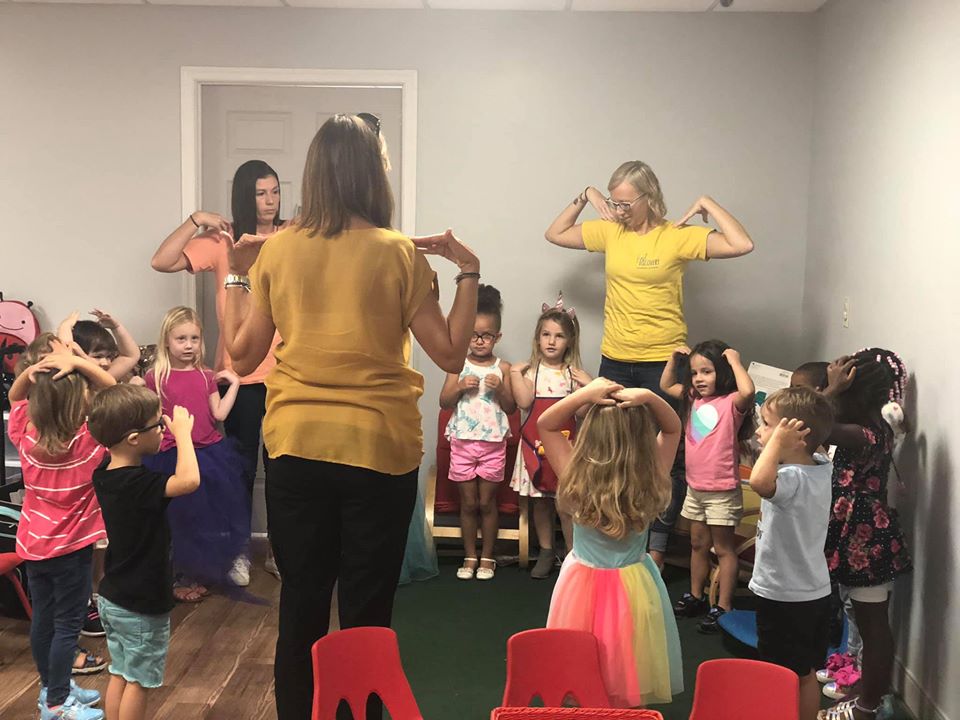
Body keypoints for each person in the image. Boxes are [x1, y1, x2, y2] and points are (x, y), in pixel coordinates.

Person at [219, 113, 479, 720]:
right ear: (372, 174)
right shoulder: (398, 254)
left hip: (296, 448)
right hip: (378, 450)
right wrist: (467, 271)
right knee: (367, 614)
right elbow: (450, 354)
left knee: (302, 609)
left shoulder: (279, 251)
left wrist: (236, 269)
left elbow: (243, 354)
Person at [545, 161, 754, 566]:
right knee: (606, 446)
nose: (619, 210)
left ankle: (653, 547)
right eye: (614, 202)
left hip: (664, 361)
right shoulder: (609, 231)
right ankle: (602, 541)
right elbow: (554, 233)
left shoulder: (676, 238)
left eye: (626, 203)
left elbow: (741, 243)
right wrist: (587, 195)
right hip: (616, 358)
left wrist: (707, 204)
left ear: (649, 197)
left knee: (667, 452)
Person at [151, 159, 285, 579]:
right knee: (240, 472)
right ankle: (238, 552)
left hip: (286, 374)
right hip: (237, 376)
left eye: (275, 191)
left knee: (283, 471)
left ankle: (282, 552)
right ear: (245, 196)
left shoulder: (291, 236)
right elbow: (162, 260)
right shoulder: (222, 240)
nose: (269, 201)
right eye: (261, 193)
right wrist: (195, 220)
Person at [541, 377, 683, 708]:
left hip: (582, 584)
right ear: (643, 438)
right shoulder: (651, 475)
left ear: (589, 435)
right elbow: (674, 428)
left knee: (581, 663)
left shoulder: (575, 474)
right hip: (634, 584)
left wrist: (584, 395)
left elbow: (546, 425)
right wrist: (650, 397)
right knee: (629, 663)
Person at [8, 340, 116, 720]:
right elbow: (114, 393)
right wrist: (77, 363)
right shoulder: (88, 444)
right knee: (67, 627)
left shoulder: (26, 438)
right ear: (80, 404)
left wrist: (30, 373)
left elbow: (14, 395)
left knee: (44, 620)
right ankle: (56, 704)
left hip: (35, 547)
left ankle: (51, 688)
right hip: (71, 551)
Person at [88, 387, 200, 720]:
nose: (164, 428)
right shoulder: (140, 484)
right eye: (158, 426)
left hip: (112, 596)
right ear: (135, 438)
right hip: (140, 602)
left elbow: (113, 411)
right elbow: (190, 480)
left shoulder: (104, 473)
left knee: (121, 672)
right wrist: (183, 435)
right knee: (139, 680)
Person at [818, 349, 911, 720]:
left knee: (873, 626)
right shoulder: (871, 430)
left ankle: (868, 707)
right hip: (860, 534)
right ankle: (865, 692)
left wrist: (830, 389)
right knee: (863, 619)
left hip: (866, 540)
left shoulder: (863, 433)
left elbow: (802, 420)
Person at [143, 306, 250, 599]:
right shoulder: (156, 376)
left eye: (194, 338)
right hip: (171, 455)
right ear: (167, 340)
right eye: (181, 339)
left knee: (206, 519)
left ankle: (198, 571)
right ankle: (177, 576)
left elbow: (219, 413)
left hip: (209, 455)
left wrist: (236, 385)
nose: (188, 345)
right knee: (176, 520)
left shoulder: (206, 375)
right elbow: (150, 417)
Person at [749, 387, 836, 720]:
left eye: (767, 425)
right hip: (813, 592)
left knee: (781, 674)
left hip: (784, 596)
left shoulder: (791, 479)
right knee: (805, 672)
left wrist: (777, 443)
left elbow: (758, 481)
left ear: (795, 438)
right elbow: (819, 429)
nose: (760, 432)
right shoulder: (820, 465)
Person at [661, 340, 756, 632]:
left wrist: (735, 360)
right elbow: (666, 386)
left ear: (723, 373)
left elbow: (749, 391)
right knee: (697, 544)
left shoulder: (732, 403)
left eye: (707, 372)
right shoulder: (692, 398)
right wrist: (672, 359)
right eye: (695, 373)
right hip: (696, 487)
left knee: (723, 549)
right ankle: (696, 595)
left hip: (722, 490)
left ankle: (723, 606)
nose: (700, 379)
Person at [509, 293, 591, 578]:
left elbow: (582, 414)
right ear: (537, 338)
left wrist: (588, 388)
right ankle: (546, 550)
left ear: (570, 341)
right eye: (546, 334)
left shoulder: (574, 374)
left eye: (559, 335)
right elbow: (522, 402)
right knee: (540, 502)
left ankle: (571, 554)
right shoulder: (530, 372)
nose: (552, 341)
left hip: (565, 449)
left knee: (567, 505)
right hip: (534, 447)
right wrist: (516, 375)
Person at [439, 284, 515, 581]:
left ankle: (488, 557)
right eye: (473, 334)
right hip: (462, 442)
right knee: (468, 503)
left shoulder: (503, 367)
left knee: (487, 503)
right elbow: (444, 402)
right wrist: (458, 386)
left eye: (486, 335)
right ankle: (469, 555)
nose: (479, 341)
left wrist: (502, 389)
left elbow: (511, 408)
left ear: (497, 337)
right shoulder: (457, 365)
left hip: (493, 443)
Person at [59, 310, 142, 382]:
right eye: (98, 356)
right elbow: (67, 355)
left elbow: (130, 356)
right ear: (76, 354)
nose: (105, 363)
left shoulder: (104, 378)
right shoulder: (70, 381)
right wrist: (65, 327)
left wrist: (116, 327)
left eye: (109, 357)